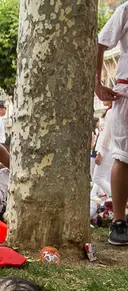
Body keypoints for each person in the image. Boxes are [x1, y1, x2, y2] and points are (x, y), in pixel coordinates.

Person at [95, 1, 128, 245]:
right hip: (127, 93)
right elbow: (101, 42)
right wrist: (96, 82)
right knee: (124, 157)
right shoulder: (126, 9)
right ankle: (118, 222)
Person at [93, 106, 115, 198]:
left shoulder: (111, 112)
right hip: (114, 149)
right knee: (106, 177)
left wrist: (101, 152)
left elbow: (107, 134)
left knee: (97, 178)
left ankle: (118, 198)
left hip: (108, 148)